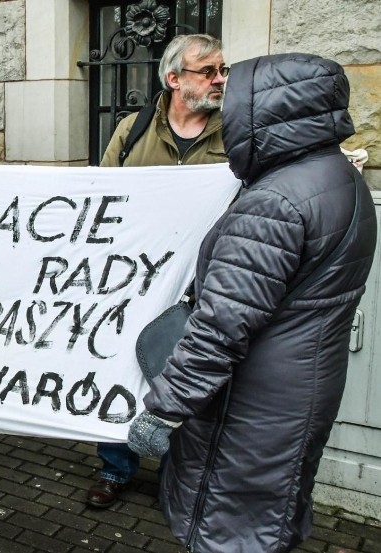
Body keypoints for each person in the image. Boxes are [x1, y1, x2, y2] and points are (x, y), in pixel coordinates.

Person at [127, 53, 376, 551]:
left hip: (249, 405)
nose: (226, 106)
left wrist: (165, 407)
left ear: (269, 109)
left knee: (228, 528)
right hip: (297, 393)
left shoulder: (274, 202)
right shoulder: (339, 179)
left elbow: (221, 324)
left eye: (235, 97)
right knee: (270, 516)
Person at [88, 34, 228, 509]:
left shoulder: (236, 132)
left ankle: (177, 480)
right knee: (121, 370)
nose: (220, 80)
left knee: (189, 380)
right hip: (133, 282)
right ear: (174, 79)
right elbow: (101, 195)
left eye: (222, 71)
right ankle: (115, 468)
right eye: (207, 72)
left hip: (202, 287)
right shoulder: (133, 128)